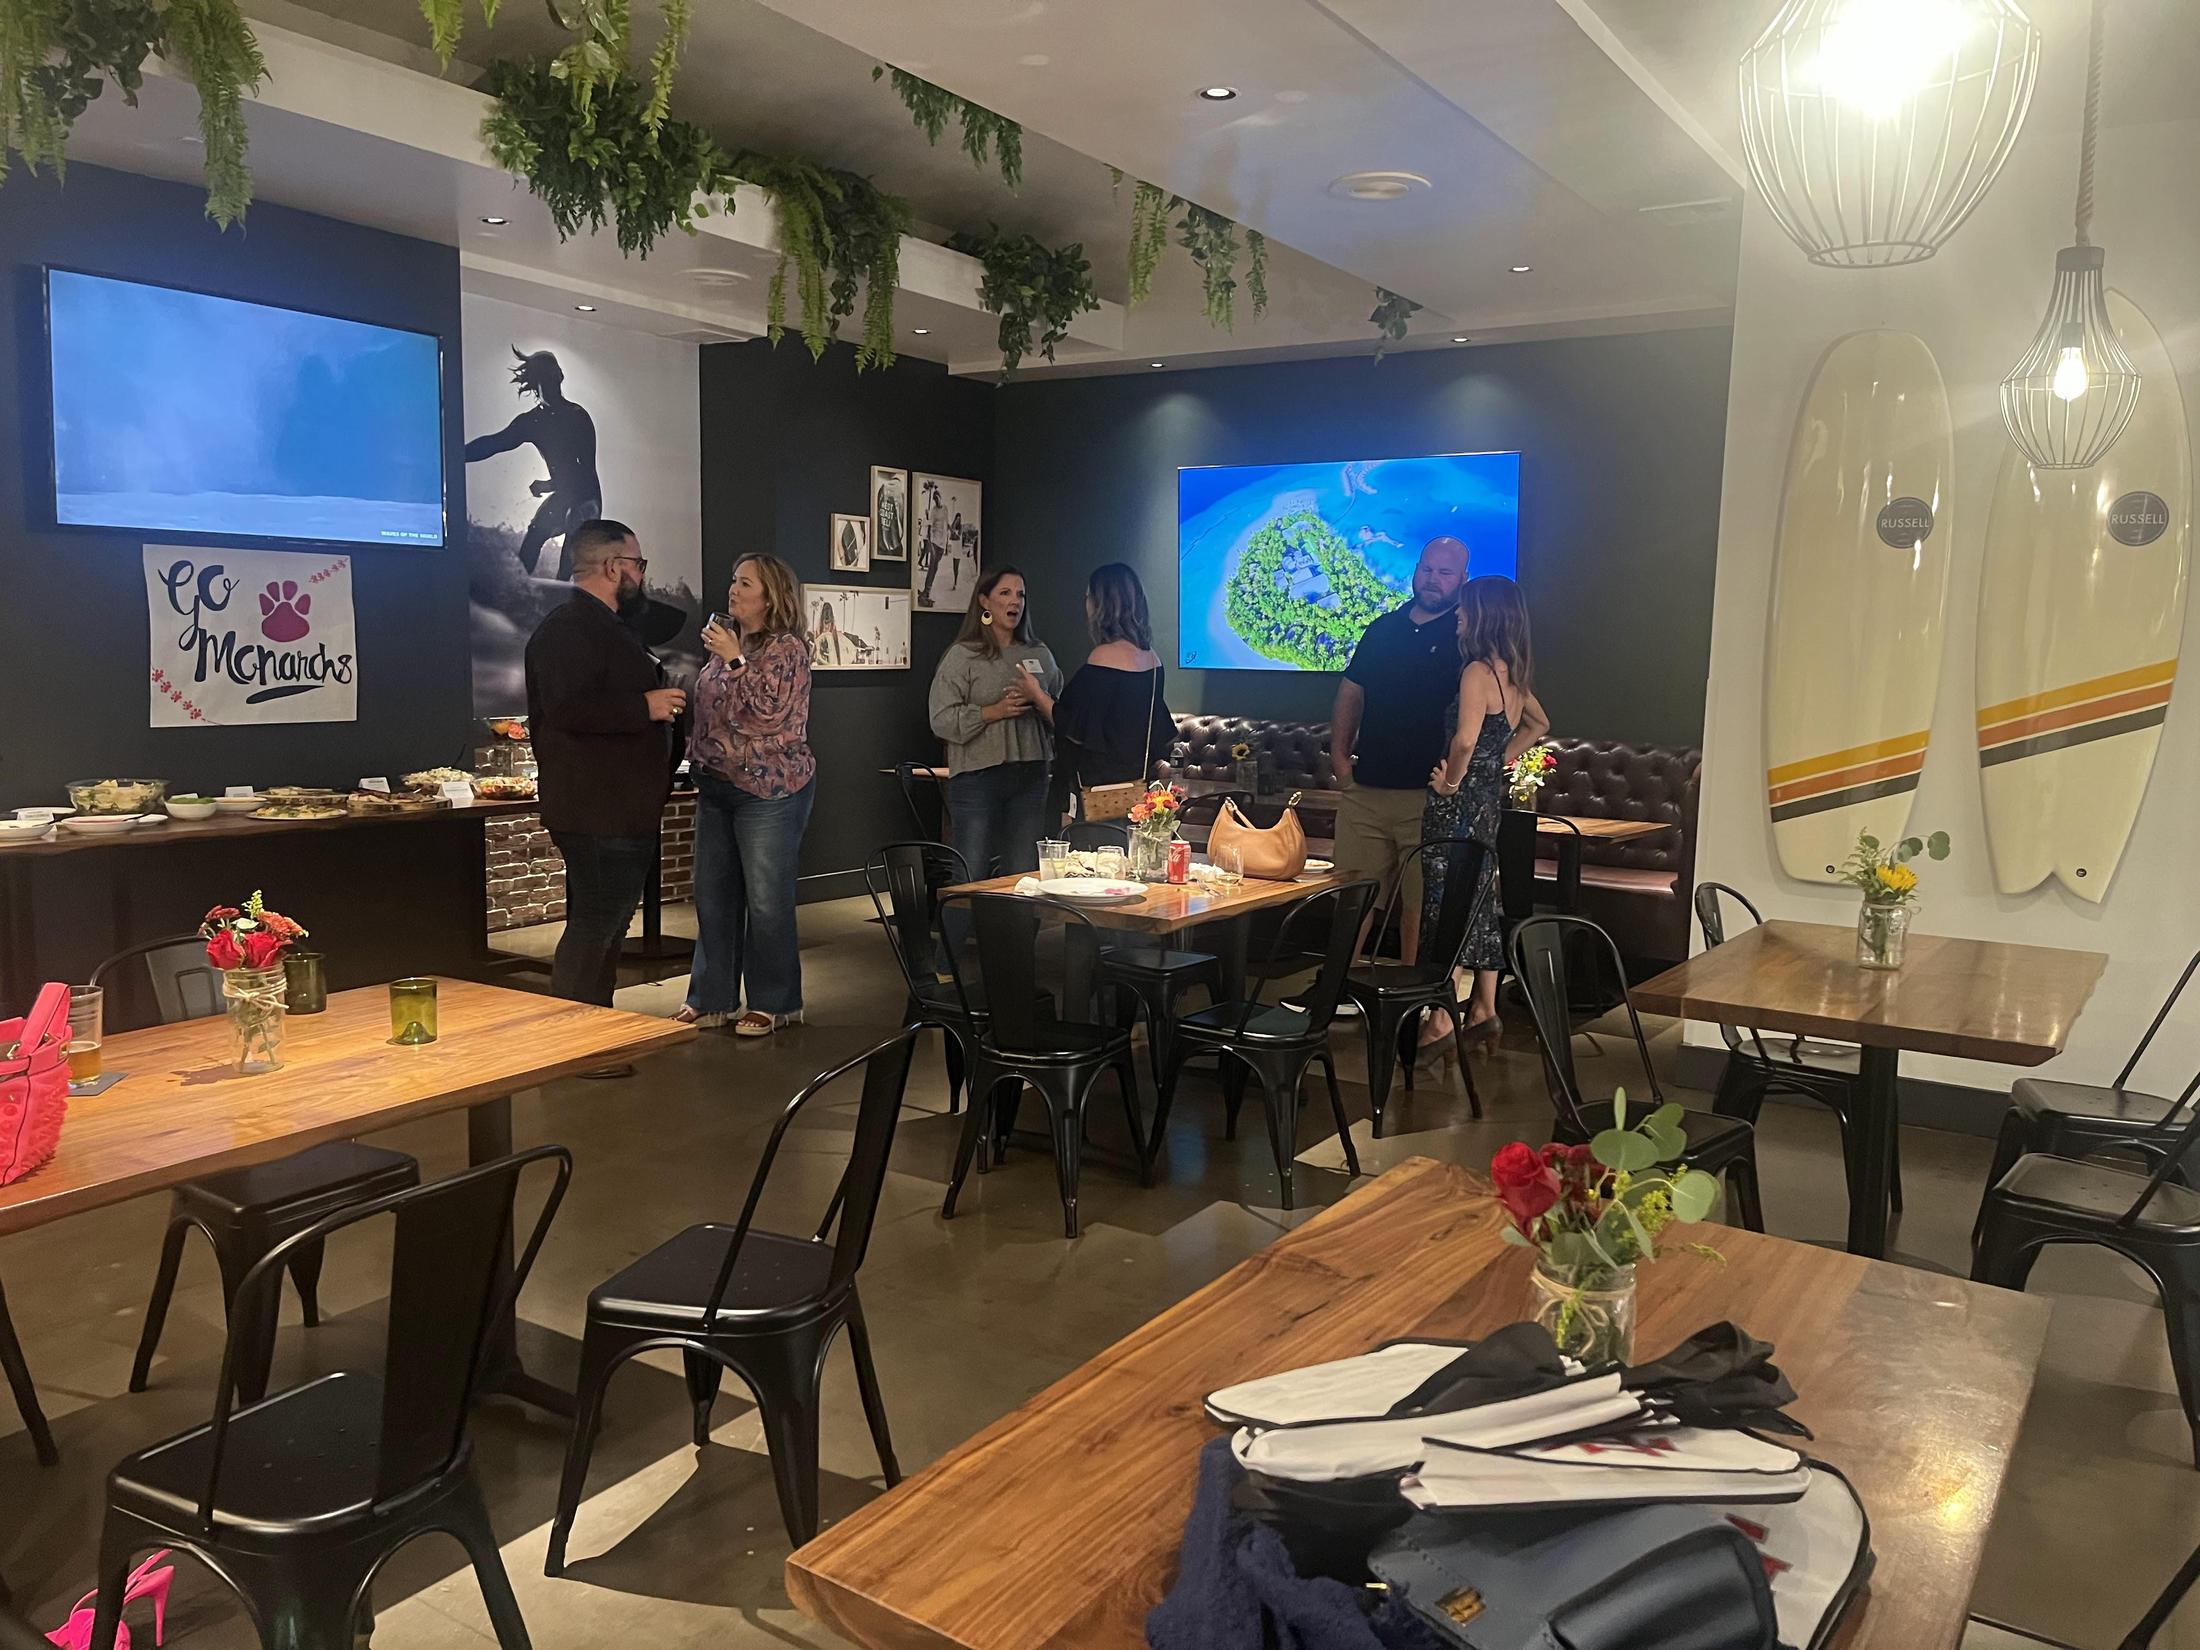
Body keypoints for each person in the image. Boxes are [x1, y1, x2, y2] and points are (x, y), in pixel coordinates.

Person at [524, 519, 684, 1009]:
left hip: (620, 806)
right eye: (638, 563)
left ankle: (595, 1022)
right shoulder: (568, 629)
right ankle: (572, 1029)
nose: (642, 574)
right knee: (596, 922)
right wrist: (645, 706)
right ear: (614, 567)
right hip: (596, 808)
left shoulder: (607, 627)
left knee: (610, 922)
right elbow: (566, 708)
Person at [680, 554, 816, 1038]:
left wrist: (736, 660)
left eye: (745, 584)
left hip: (769, 789)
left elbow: (766, 715)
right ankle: (711, 998)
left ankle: (776, 1002)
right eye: (733, 581)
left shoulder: (788, 649)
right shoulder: (725, 645)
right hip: (717, 784)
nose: (733, 590)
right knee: (713, 896)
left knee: (766, 901)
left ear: (770, 596)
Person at [1328, 536, 1472, 965]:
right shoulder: (1382, 629)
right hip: (1366, 790)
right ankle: (1334, 988)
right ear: (1415, 571)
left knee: (1420, 904)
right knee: (1352, 896)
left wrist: (1453, 780)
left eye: (1445, 572)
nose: (1433, 579)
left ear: (1463, 579)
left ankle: (1412, 993)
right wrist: (1340, 760)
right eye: (1427, 569)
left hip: (1428, 796)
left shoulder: (1466, 637)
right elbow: (1351, 692)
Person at [1427, 575, 1551, 1040]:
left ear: (1482, 615)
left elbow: (1464, 739)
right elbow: (1539, 724)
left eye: (1464, 608)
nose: (1457, 615)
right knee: (1478, 895)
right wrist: (1494, 763)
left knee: (1447, 901)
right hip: (1486, 801)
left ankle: (1441, 1017)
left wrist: (1451, 783)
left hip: (1457, 804)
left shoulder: (1477, 672)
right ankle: (1484, 1007)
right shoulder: (1510, 674)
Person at [927, 566, 1062, 877]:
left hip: (1031, 775)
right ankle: (962, 913)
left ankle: (1013, 914)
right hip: (978, 778)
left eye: (1021, 595)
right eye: (1005, 593)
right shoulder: (962, 656)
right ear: (984, 601)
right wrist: (993, 711)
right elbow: (941, 719)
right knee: (971, 870)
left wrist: (1038, 700)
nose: (1015, 601)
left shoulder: (1040, 654)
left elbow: (1061, 711)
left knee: (1023, 872)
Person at [1050, 563, 1175, 821]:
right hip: (1134, 789)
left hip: (1097, 790)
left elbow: (1072, 725)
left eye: (1089, 597)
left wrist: (1035, 694)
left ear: (1101, 605)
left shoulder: (1102, 658)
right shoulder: (1152, 660)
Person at [464, 347, 602, 579]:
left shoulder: (578, 416)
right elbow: (494, 443)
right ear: (536, 383)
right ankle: (518, 587)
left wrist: (547, 485)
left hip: (586, 498)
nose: (551, 386)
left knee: (573, 533)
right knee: (535, 535)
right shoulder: (532, 421)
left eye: (553, 379)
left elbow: (585, 474)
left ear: (560, 377)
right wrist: (457, 455)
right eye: (545, 380)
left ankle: (564, 588)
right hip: (563, 495)